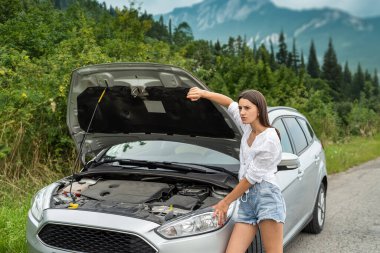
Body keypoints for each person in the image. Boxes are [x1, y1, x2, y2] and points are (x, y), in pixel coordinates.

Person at [187, 87, 286, 253]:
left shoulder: (269, 139)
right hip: (247, 201)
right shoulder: (247, 127)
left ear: (259, 110)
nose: (242, 112)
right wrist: (204, 94)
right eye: (241, 108)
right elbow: (228, 102)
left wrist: (225, 202)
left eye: (247, 108)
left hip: (267, 198)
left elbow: (250, 179)